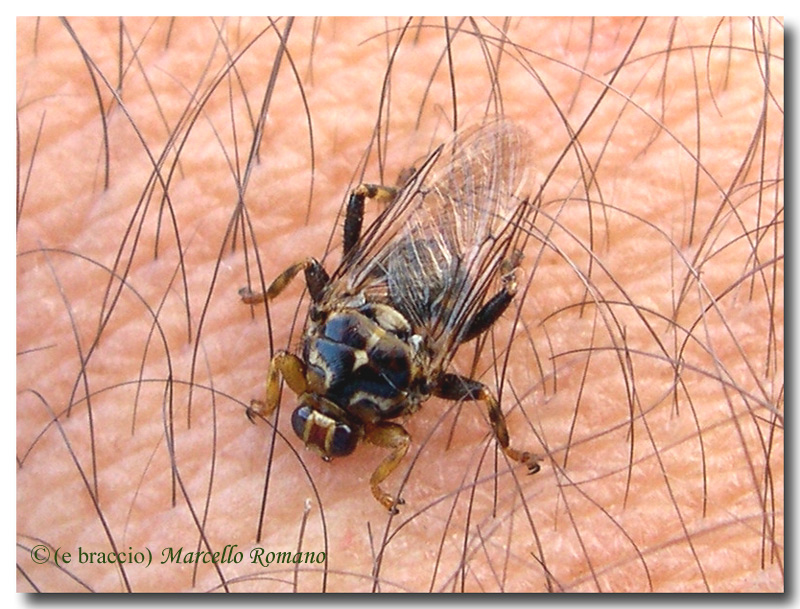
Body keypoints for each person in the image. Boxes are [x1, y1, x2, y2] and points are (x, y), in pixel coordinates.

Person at [16, 16, 783, 592]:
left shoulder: (385, 392)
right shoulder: (319, 365)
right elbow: (316, 372)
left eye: (309, 419)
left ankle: (474, 229)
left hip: (416, 298)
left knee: (480, 303)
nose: (318, 431)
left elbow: (403, 422)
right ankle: (434, 202)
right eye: (321, 423)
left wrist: (379, 467)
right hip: (399, 293)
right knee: (371, 243)